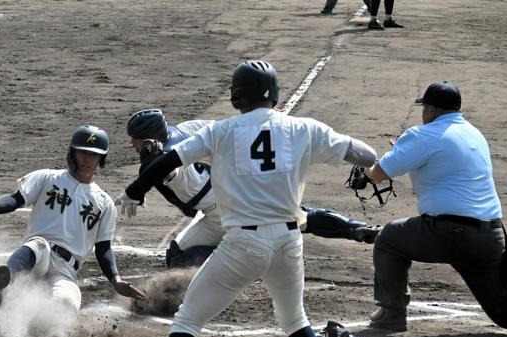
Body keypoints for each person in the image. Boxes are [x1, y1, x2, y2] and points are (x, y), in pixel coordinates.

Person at [116, 60, 378, 337]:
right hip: (289, 243)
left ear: (237, 95)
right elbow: (362, 154)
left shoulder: (222, 130)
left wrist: (133, 192)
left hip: (243, 243)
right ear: (274, 92)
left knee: (188, 320)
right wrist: (383, 165)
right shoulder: (303, 127)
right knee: (295, 320)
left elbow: (167, 162)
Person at [364, 81, 507, 337]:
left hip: (449, 233)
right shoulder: (474, 134)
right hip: (491, 238)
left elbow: (379, 173)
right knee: (502, 308)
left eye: (425, 108)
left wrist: (366, 170)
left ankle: (392, 314)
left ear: (432, 110)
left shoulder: (423, 135)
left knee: (389, 238)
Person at [126, 109, 381, 268]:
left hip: (225, 212)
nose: (132, 145)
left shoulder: (170, 164)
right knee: (296, 219)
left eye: (135, 139)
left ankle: (251, 256)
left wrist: (153, 165)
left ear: (149, 138)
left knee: (178, 259)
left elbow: (169, 171)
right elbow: (224, 126)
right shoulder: (184, 129)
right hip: (235, 193)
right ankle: (356, 229)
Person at [0, 125, 146, 319]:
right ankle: (4, 282)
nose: (87, 160)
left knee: (67, 304)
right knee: (37, 245)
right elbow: (16, 199)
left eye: (94, 155)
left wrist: (116, 280)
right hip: (39, 257)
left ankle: (29, 321)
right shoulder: (48, 178)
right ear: (73, 153)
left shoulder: (104, 203)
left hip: (66, 270)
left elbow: (103, 247)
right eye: (83, 153)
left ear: (100, 159)